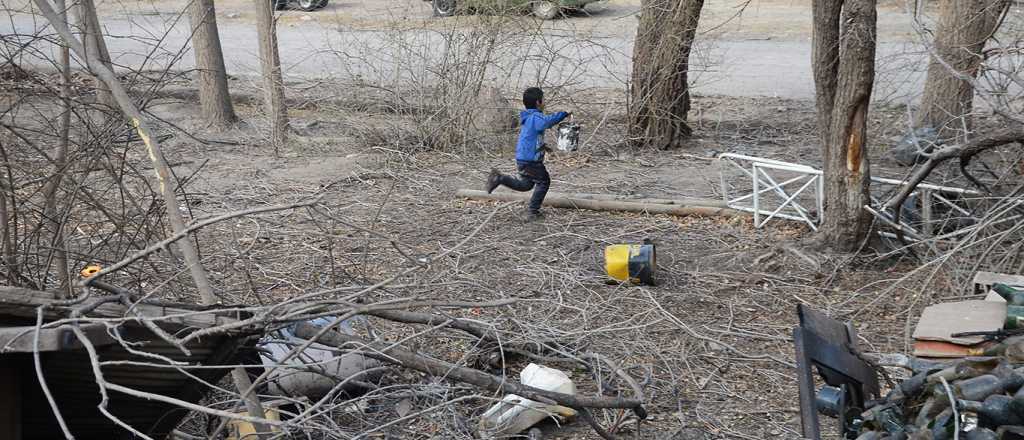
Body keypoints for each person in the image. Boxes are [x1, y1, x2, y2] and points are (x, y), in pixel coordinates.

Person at [484, 87, 570, 221]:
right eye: (543, 100)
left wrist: (544, 148)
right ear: (538, 102)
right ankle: (532, 212)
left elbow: (531, 138)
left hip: (523, 158)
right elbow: (547, 122)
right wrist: (563, 114)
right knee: (544, 182)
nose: (545, 102)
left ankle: (499, 178)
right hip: (531, 160)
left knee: (526, 185)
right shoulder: (535, 117)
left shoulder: (528, 117)